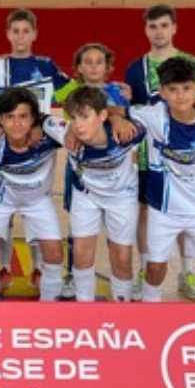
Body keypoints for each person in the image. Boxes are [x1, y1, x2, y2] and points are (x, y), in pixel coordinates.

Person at [124, 4, 195, 301]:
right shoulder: (136, 68)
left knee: (187, 210)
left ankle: (187, 271)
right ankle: (146, 270)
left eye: (163, 25)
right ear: (145, 30)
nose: (158, 31)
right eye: (152, 26)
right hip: (150, 156)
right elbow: (133, 115)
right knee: (146, 211)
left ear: (174, 28)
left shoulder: (192, 63)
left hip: (187, 154)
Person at [127, 58, 195, 303]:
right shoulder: (154, 116)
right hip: (164, 211)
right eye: (172, 90)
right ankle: (148, 320)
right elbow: (118, 110)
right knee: (154, 270)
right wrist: (117, 118)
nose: (180, 95)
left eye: (186, 88)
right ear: (163, 92)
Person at [0, 9, 71, 291]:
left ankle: (39, 269)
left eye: (25, 31)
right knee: (3, 206)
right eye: (15, 31)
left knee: (36, 202)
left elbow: (73, 94)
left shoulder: (46, 66)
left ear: (34, 34)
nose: (20, 36)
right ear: (7, 34)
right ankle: (4, 267)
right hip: (6, 144)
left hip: (39, 142)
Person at [0, 87, 69, 302]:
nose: (16, 123)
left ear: (33, 118)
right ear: (0, 119)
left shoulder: (48, 134)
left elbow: (81, 130)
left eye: (23, 117)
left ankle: (50, 308)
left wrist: (41, 123)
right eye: (10, 117)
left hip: (37, 200)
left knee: (54, 255)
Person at [53, 42, 131, 298]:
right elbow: (49, 99)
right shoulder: (70, 90)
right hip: (80, 165)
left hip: (114, 165)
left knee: (119, 232)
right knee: (77, 225)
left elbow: (126, 113)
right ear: (77, 67)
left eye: (99, 62)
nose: (93, 66)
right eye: (87, 62)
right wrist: (68, 129)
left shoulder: (117, 91)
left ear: (108, 66)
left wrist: (118, 116)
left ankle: (117, 263)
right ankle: (71, 273)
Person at [62, 86, 145, 302]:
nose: (78, 124)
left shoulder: (128, 133)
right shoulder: (68, 135)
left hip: (122, 198)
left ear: (102, 115)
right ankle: (84, 306)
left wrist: (118, 118)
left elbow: (157, 113)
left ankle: (122, 306)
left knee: (122, 256)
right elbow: (41, 120)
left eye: (84, 117)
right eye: (74, 118)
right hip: (86, 196)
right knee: (81, 253)